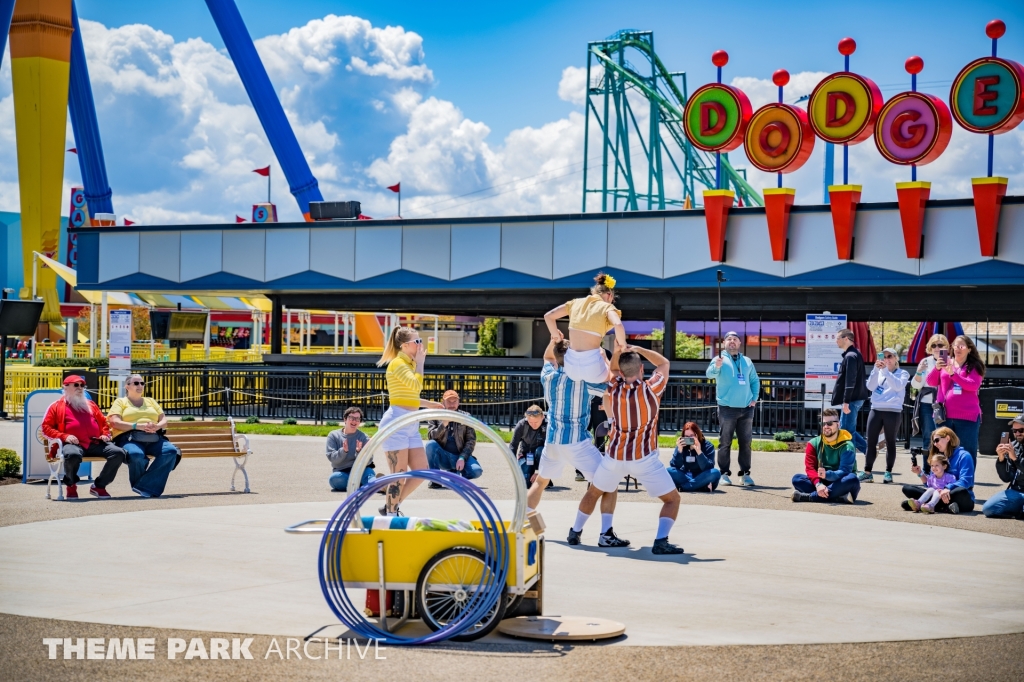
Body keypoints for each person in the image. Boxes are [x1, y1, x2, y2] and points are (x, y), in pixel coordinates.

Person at [577, 345, 684, 555]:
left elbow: (614, 370)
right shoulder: (651, 389)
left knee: (594, 492)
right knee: (672, 499)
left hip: (615, 455)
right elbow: (664, 363)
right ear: (642, 369)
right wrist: (639, 349)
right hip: (644, 457)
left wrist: (618, 351)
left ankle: (575, 530)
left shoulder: (613, 386)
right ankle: (661, 540)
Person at [529, 337, 628, 548]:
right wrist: (602, 356)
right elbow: (612, 382)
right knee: (609, 484)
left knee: (539, 482)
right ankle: (602, 533)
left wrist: (554, 338)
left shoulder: (548, 376)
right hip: (577, 442)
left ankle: (525, 526)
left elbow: (548, 356)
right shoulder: (583, 380)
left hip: (553, 440)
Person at [376, 327, 444, 515]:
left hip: (410, 422)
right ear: (405, 345)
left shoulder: (409, 363)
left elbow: (405, 396)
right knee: (399, 476)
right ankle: (390, 513)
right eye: (417, 342)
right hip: (396, 422)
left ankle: (393, 506)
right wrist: (421, 364)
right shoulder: (398, 364)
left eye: (420, 341)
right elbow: (415, 385)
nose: (421, 345)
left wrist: (426, 404)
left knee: (421, 470)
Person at [41, 375, 126, 500]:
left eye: (82, 385)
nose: (80, 388)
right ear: (65, 387)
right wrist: (65, 436)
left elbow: (104, 423)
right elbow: (46, 428)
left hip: (95, 443)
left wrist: (105, 434)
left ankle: (99, 486)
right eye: (76, 385)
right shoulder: (56, 406)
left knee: (118, 453)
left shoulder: (91, 404)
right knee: (72, 455)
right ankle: (71, 484)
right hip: (72, 444)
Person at [543, 272, 626, 384]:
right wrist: (623, 347)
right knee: (615, 374)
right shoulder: (607, 307)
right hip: (593, 368)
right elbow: (618, 324)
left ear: (594, 292)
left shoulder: (575, 303)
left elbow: (548, 316)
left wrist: (557, 339)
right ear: (609, 295)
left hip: (571, 368)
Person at [107, 373, 178, 498]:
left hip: (153, 437)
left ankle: (143, 486)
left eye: (142, 383)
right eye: (136, 383)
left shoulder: (151, 401)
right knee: (136, 455)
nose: (140, 385)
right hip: (129, 437)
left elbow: (164, 421)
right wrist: (137, 426)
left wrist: (157, 426)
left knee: (171, 451)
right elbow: (115, 422)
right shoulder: (120, 402)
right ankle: (145, 486)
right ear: (127, 386)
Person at [705, 330, 759, 486]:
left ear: (740, 343)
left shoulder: (747, 361)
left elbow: (755, 380)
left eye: (735, 339)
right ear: (724, 343)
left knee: (746, 442)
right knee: (725, 442)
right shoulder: (718, 359)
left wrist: (754, 398)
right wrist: (716, 366)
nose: (732, 341)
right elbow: (709, 375)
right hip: (727, 408)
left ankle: (745, 474)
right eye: (729, 339)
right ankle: (724, 474)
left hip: (747, 408)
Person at [928, 334, 984, 462]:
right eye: (955, 345)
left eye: (962, 345)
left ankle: (965, 481)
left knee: (967, 452)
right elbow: (931, 382)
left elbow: (973, 386)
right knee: (942, 451)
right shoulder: (945, 362)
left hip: (967, 417)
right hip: (943, 416)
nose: (958, 348)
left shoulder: (975, 366)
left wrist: (953, 374)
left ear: (969, 349)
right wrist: (937, 368)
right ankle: (945, 481)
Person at [860, 348, 910, 484]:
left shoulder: (902, 373)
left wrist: (886, 372)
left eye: (890, 356)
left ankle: (888, 472)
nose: (887, 359)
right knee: (870, 442)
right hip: (876, 409)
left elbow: (898, 386)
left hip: (893, 411)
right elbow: (870, 386)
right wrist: (876, 370)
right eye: (884, 356)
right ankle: (867, 472)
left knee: (890, 442)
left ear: (895, 359)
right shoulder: (879, 371)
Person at [792, 408, 861, 503]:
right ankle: (838, 498)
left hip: (840, 483)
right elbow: (810, 468)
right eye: (823, 424)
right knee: (797, 479)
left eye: (829, 423)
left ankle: (809, 497)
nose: (826, 426)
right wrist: (818, 484)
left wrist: (827, 474)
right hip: (821, 483)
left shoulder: (847, 446)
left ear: (838, 424)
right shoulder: (813, 443)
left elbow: (845, 471)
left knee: (852, 479)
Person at [901, 426, 975, 514]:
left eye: (937, 440)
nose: (935, 444)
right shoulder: (938, 456)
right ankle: (939, 506)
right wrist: (920, 473)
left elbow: (966, 481)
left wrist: (947, 488)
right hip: (937, 493)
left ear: (947, 438)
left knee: (961, 491)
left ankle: (924, 504)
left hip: (955, 495)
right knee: (907, 489)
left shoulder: (964, 456)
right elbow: (932, 482)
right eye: (933, 442)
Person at [425, 390, 483, 485]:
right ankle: (435, 479)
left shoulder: (466, 416)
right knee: (430, 445)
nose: (452, 404)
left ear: (458, 402)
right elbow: (431, 436)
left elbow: (471, 440)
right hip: (442, 456)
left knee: (477, 471)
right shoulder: (435, 415)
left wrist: (462, 458)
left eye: (454, 401)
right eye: (449, 401)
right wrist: (444, 424)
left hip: (459, 456)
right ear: (443, 402)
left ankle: (457, 476)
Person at [832, 328, 870, 454]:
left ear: (846, 339)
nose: (836, 341)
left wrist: (846, 401)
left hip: (852, 399)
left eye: (838, 338)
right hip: (854, 399)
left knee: (846, 431)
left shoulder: (851, 356)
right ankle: (869, 452)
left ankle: (851, 460)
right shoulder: (853, 354)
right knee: (848, 430)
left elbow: (850, 380)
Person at [911, 334, 949, 460]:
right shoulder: (925, 361)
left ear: (946, 347)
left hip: (945, 404)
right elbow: (916, 385)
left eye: (940, 345)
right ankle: (928, 470)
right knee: (928, 437)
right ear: (930, 348)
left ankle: (943, 468)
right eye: (933, 345)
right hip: (927, 404)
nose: (937, 348)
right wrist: (919, 372)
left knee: (944, 437)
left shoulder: (950, 361)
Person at [982, 416, 1024, 519]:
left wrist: (1015, 458)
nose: (1017, 433)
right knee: (988, 509)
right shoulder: (1013, 446)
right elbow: (1006, 478)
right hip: (1017, 491)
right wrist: (1001, 459)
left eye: (1021, 430)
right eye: (1014, 430)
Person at [325, 406, 374, 492]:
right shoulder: (333, 435)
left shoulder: (363, 437)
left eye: (357, 419)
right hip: (342, 472)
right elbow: (332, 458)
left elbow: (369, 460)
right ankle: (365, 485)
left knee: (368, 474)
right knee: (334, 479)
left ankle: (378, 486)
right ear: (345, 419)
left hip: (360, 471)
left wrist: (360, 452)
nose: (354, 421)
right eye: (351, 418)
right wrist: (343, 451)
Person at [667, 422, 720, 492]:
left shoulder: (708, 446)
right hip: (685, 475)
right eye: (686, 436)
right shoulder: (681, 445)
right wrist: (679, 451)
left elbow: (708, 468)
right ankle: (699, 487)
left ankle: (684, 487)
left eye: (692, 435)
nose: (689, 439)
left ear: (697, 434)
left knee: (715, 473)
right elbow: (674, 466)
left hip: (701, 477)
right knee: (668, 471)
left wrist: (699, 451)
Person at [510, 405, 547, 485]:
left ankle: (544, 476)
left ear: (542, 417)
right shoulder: (522, 425)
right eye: (530, 422)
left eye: (536, 422)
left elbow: (552, 449)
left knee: (540, 450)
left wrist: (540, 472)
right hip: (526, 454)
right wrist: (512, 464)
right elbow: (513, 445)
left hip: (542, 457)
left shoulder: (548, 426)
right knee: (526, 483)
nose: (533, 425)